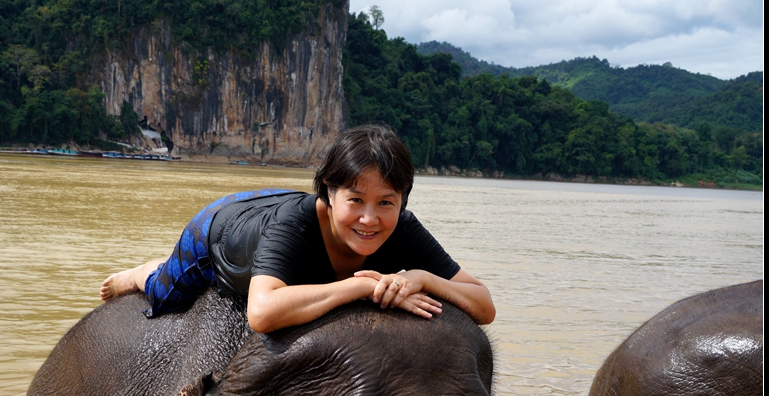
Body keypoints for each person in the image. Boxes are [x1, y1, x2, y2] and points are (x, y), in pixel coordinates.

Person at [100, 123, 495, 332]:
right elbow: (262, 313)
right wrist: (364, 286)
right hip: (222, 230)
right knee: (166, 293)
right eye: (355, 200)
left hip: (275, 208)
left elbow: (484, 305)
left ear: (402, 200)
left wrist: (422, 278)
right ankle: (143, 271)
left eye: (386, 203)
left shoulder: (402, 226)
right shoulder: (296, 225)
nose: (370, 219)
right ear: (329, 192)